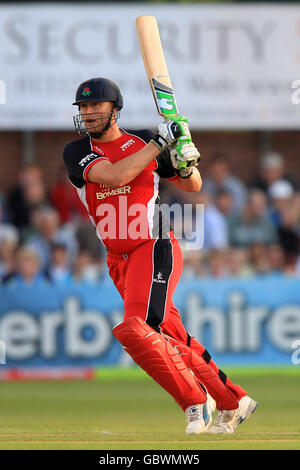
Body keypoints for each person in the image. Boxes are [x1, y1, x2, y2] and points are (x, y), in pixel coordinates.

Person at [62, 77, 257, 435]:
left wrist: (183, 161)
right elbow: (116, 173)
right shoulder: (77, 151)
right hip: (117, 259)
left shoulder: (142, 140)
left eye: (96, 107)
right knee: (171, 336)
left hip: (152, 246)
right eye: (83, 108)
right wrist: (161, 143)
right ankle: (234, 400)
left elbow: (193, 184)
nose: (88, 114)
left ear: (114, 109)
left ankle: (195, 400)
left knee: (138, 329)